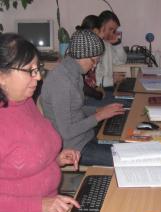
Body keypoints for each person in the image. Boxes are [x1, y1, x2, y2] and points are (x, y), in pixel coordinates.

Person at [0, 33, 81, 212]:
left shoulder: (25, 101)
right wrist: (40, 205)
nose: (38, 77)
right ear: (2, 76)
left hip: (50, 205)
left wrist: (56, 160)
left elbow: (23, 159)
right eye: (30, 70)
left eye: (38, 69)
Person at [40, 30, 125, 167]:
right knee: (125, 160)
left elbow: (75, 109)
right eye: (94, 60)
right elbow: (66, 132)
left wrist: (98, 109)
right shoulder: (61, 82)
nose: (95, 65)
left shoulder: (74, 73)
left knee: (126, 147)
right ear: (81, 56)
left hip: (85, 137)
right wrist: (99, 116)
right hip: (72, 147)